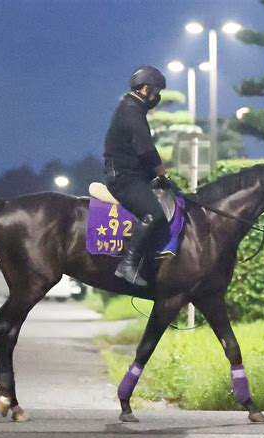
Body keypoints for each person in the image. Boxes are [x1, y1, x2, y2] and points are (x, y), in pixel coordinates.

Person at [103, 65, 176, 287]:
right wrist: (163, 174)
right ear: (145, 88)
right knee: (154, 213)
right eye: (156, 91)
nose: (158, 97)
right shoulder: (131, 110)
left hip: (133, 176)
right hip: (124, 179)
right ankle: (127, 264)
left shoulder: (133, 108)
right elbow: (146, 150)